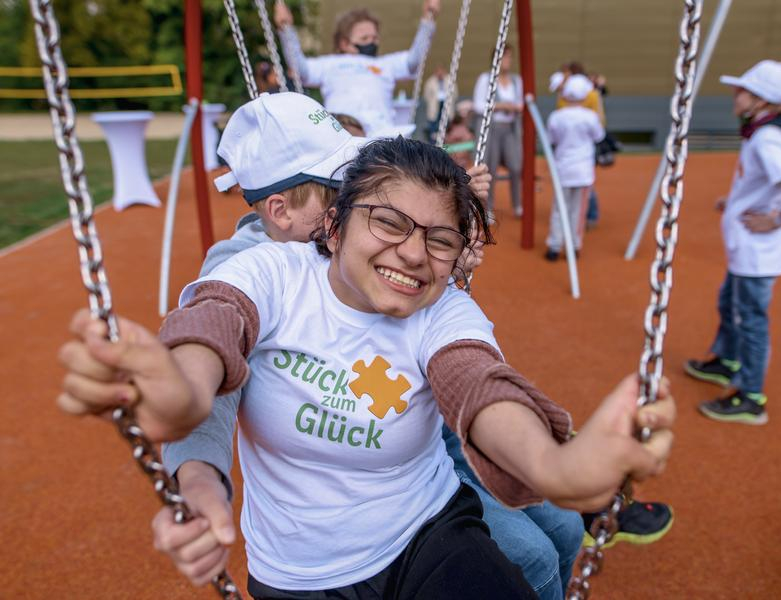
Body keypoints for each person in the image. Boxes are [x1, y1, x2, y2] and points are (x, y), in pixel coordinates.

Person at [58, 131, 675, 598]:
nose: (413, 253)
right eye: (388, 222)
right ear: (333, 225)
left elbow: (479, 386)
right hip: (296, 572)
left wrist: (555, 466)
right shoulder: (272, 273)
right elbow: (216, 326)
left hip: (427, 535)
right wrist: (176, 392)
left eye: (440, 238)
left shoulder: (443, 311)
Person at [684, 60, 781, 425]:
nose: (735, 95)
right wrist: (734, 201)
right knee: (729, 302)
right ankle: (727, 361)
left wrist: (776, 219)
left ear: (762, 100)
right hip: (747, 248)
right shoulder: (762, 132)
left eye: (743, 91)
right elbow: (762, 183)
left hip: (758, 251)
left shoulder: (768, 139)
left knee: (750, 319)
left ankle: (751, 397)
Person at [275, 0, 439, 137]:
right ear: (344, 43)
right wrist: (286, 29)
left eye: (375, 38)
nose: (372, 42)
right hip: (341, 132)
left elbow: (414, 60)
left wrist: (428, 20)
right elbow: (300, 68)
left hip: (380, 134)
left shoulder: (386, 64)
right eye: (365, 38)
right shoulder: (329, 64)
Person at [544, 74, 605, 261]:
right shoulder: (590, 117)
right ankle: (574, 245)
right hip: (583, 172)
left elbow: (551, 139)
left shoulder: (556, 117)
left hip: (562, 169)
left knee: (558, 208)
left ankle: (554, 245)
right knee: (578, 212)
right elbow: (599, 136)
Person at [473, 45, 524, 220]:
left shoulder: (516, 80)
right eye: (504, 56)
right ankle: (488, 208)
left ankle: (518, 204)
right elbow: (478, 105)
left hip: (510, 128)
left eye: (509, 56)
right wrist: (501, 106)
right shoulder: (485, 79)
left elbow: (521, 103)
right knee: (491, 168)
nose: (507, 60)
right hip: (492, 128)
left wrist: (515, 108)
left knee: (516, 166)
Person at [423, 65, 455, 142]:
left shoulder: (449, 80)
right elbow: (426, 95)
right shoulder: (431, 81)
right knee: (433, 128)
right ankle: (433, 144)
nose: (440, 73)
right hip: (435, 107)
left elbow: (455, 93)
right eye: (438, 71)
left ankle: (445, 143)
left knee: (446, 126)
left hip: (446, 105)